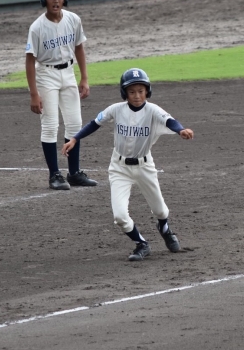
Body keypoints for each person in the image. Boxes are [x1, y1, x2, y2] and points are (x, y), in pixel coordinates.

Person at [62, 68, 195, 261]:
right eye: (132, 92)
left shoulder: (153, 110)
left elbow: (170, 121)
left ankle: (165, 228)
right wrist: (75, 138)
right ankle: (141, 243)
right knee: (120, 217)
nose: (137, 96)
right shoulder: (116, 109)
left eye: (141, 91)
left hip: (144, 166)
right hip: (119, 168)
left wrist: (181, 130)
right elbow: (94, 123)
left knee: (160, 210)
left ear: (147, 91)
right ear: (124, 93)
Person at [25, 0, 97, 190]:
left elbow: (79, 48)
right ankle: (54, 175)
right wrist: (34, 93)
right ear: (44, 0)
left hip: (68, 73)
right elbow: (29, 61)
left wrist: (84, 78)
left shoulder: (73, 19)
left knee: (75, 123)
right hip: (46, 75)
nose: (56, 1)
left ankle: (74, 173)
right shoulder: (37, 27)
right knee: (50, 125)